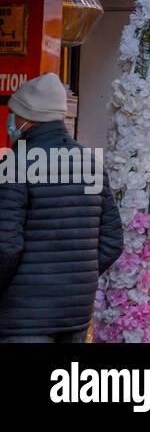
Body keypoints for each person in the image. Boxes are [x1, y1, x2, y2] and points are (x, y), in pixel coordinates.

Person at [0, 73, 124, 342]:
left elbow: (5, 245)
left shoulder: (16, 166)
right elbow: (112, 241)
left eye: (14, 113)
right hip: (74, 316)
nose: (11, 120)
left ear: (29, 117)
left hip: (23, 317)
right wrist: (76, 279)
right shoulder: (90, 165)